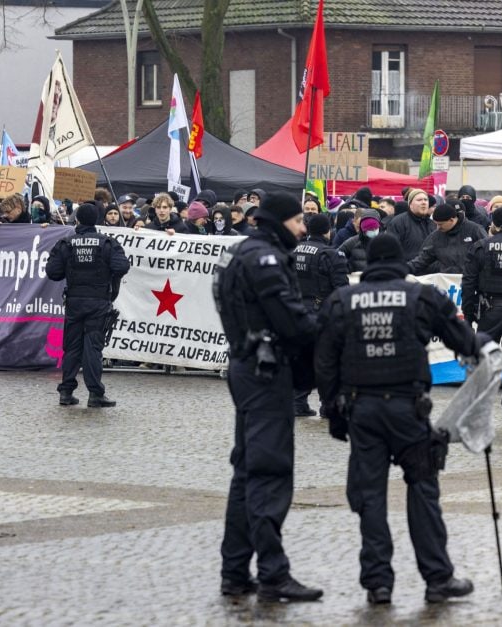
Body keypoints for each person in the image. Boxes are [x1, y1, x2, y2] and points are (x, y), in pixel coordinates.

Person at [316, 234, 484, 605]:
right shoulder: (420, 296)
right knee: (423, 491)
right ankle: (438, 578)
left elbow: (325, 360)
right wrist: (484, 347)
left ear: (371, 262)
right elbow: (462, 339)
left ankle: (378, 584)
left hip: (363, 411)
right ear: (398, 261)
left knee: (370, 496)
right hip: (408, 410)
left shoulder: (342, 301)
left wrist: (332, 408)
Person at [213, 191, 321, 602]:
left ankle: (235, 572)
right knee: (268, 473)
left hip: (247, 366)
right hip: (265, 372)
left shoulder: (241, 254)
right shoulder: (267, 260)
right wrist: (329, 328)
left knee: (246, 473)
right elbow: (291, 321)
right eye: (298, 221)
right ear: (279, 222)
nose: (303, 228)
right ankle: (274, 574)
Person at [46, 203, 129, 407]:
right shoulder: (107, 243)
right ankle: (95, 394)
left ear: (78, 220)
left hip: (74, 301)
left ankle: (66, 392)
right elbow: (122, 266)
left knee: (72, 347)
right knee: (92, 347)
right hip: (98, 302)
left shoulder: (66, 243)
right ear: (97, 220)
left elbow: (53, 272)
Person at [462, 206, 502, 427]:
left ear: (494, 223)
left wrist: (468, 316)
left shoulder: (480, 247)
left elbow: (468, 284)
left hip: (488, 311)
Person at [292, 213, 349, 416]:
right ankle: (328, 405)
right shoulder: (331, 254)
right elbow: (342, 288)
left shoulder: (294, 250)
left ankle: (298, 403)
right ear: (328, 231)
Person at [408, 200, 486, 275]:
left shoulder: (475, 230)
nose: (438, 228)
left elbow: (488, 254)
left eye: (440, 224)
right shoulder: (436, 236)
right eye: (436, 224)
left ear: (451, 220)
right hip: (447, 283)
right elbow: (422, 260)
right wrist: (404, 269)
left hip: (471, 281)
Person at [385, 189, 433, 261]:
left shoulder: (433, 224)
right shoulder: (398, 222)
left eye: (426, 200)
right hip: (408, 269)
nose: (424, 202)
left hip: (432, 271)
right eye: (419, 200)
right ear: (410, 204)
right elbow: (391, 249)